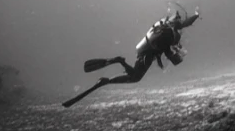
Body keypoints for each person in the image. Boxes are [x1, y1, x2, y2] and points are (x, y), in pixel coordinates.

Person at [62, 7, 200, 108]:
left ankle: (112, 73)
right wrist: (178, 57)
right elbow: (174, 59)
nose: (181, 27)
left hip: (144, 52)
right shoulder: (168, 35)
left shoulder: (164, 24)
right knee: (135, 77)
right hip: (146, 55)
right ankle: (117, 65)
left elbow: (184, 24)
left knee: (134, 76)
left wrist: (196, 15)